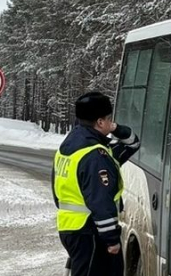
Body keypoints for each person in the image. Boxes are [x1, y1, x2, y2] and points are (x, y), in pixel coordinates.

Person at [52, 92, 141, 276]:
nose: (112, 122)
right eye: (109, 119)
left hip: (71, 228)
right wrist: (112, 240)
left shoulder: (70, 145)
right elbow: (101, 200)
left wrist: (112, 127)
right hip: (91, 232)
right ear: (100, 122)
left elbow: (133, 144)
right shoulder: (95, 155)